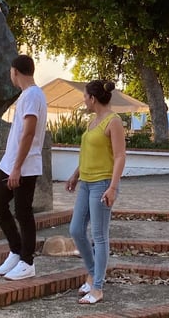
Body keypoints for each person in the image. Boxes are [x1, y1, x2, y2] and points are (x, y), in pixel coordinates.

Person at [66, 80, 126, 305]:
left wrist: (112, 187)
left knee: (99, 236)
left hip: (102, 184)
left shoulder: (114, 121)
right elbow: (88, 154)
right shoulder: (93, 122)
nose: (83, 100)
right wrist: (75, 174)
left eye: (85, 96)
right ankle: (92, 274)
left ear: (92, 98)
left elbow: (120, 156)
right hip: (86, 182)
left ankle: (98, 288)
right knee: (76, 230)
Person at [0, 55, 48, 280]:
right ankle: (16, 250)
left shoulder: (33, 95)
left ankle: (27, 261)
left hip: (23, 165)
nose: (10, 75)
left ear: (15, 71)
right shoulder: (28, 95)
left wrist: (17, 168)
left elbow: (29, 133)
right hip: (10, 162)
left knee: (23, 212)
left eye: (10, 71)